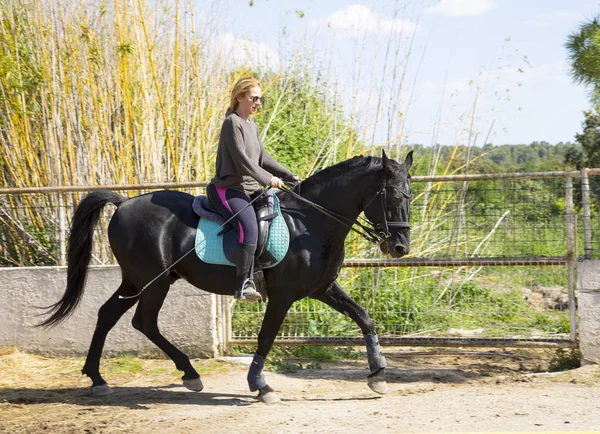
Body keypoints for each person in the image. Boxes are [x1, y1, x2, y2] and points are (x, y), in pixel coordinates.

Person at [207, 77, 300, 302]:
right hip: (228, 190)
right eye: (254, 98)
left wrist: (290, 176)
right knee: (249, 227)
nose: (258, 102)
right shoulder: (232, 122)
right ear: (240, 97)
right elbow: (242, 162)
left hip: (249, 190)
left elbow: (261, 157)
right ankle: (243, 285)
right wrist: (268, 179)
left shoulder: (252, 125)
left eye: (260, 98)